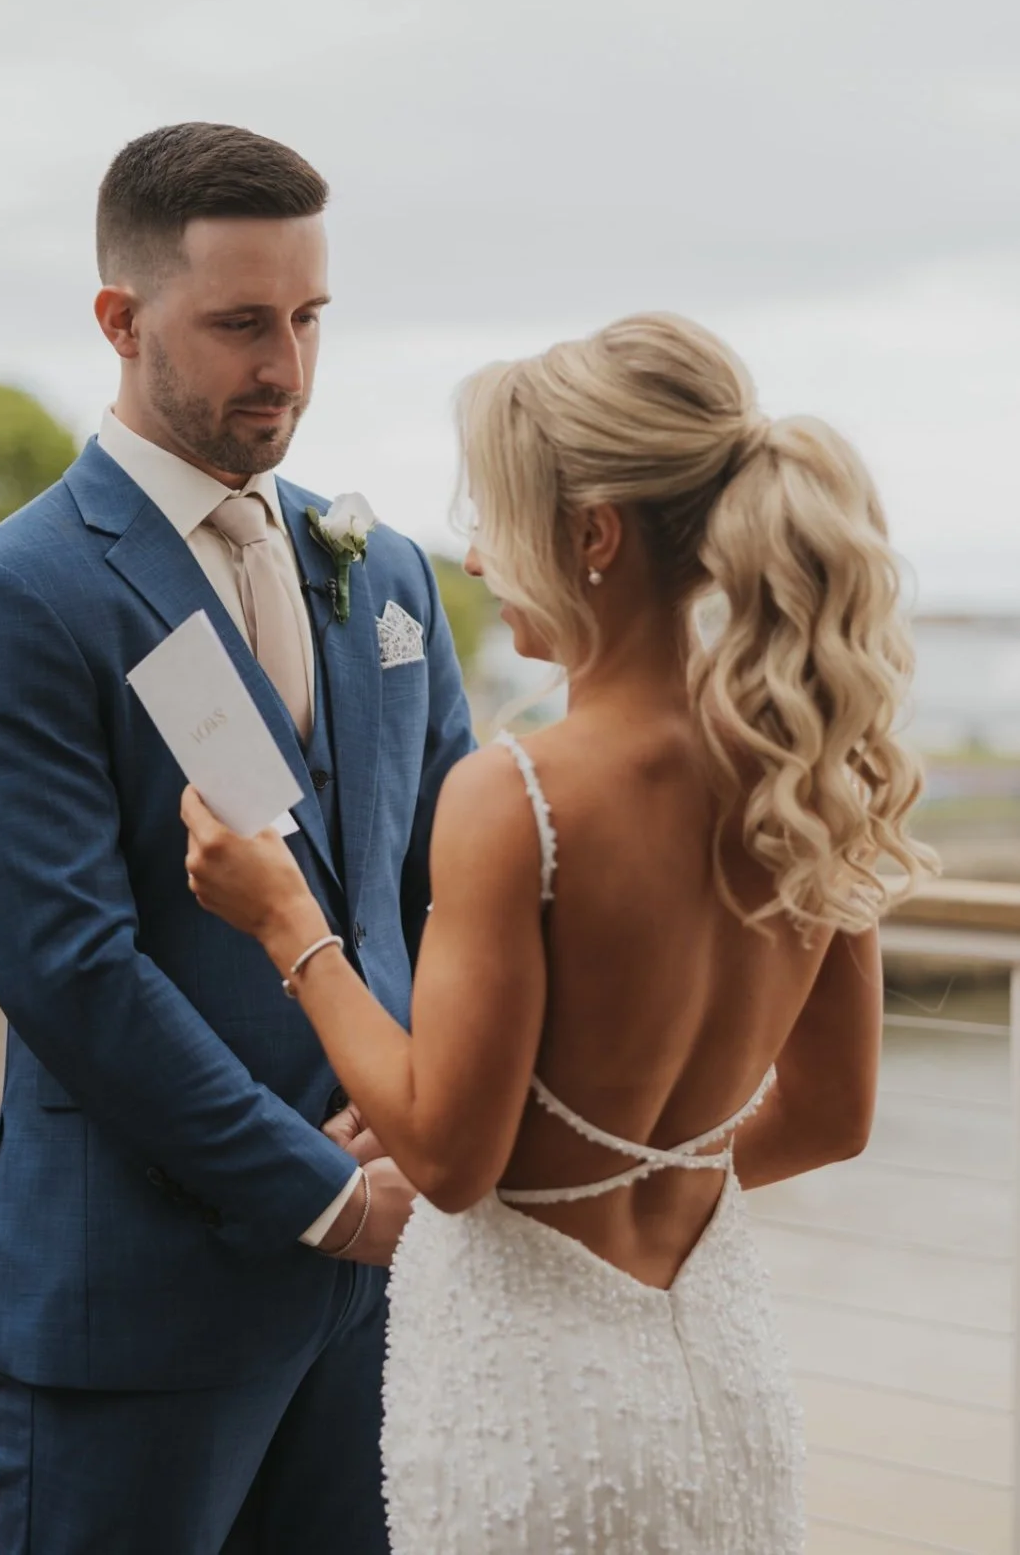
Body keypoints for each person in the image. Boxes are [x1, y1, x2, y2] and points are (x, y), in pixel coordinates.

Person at [183, 312, 936, 1554]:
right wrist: (634, 1170)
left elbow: (450, 1160)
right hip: (723, 1383)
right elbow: (828, 1118)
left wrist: (289, 926)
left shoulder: (518, 793)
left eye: (497, 515)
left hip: (537, 1413)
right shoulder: (815, 768)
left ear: (593, 535)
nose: (474, 558)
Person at [0, 122, 473, 1555]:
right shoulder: (16, 595)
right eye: (240, 323)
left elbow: (450, 879)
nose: (284, 363)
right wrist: (329, 1194)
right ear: (120, 318)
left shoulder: (383, 564)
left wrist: (435, 1125)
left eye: (306, 317)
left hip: (387, 1291)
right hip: (143, 1299)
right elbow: (71, 969)